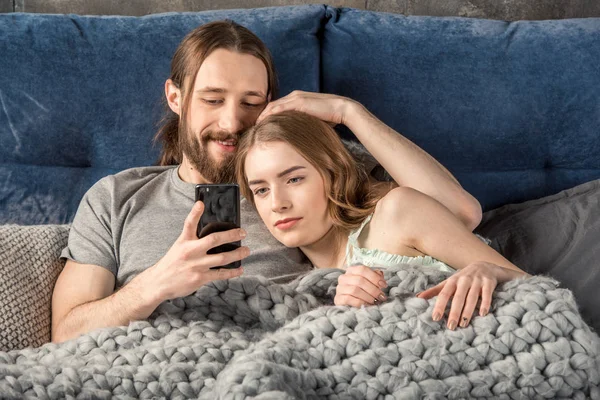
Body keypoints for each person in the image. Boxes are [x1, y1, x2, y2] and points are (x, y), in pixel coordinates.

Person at [51, 20, 482, 343]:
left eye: (250, 103)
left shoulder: (303, 173)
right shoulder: (117, 197)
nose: (231, 122)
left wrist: (349, 112)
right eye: (213, 99)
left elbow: (460, 212)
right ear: (175, 97)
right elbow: (65, 333)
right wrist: (158, 281)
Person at [235, 111, 530, 330]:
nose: (278, 203)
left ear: (333, 173)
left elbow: (533, 287)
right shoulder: (304, 291)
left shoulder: (396, 212)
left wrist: (486, 269)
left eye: (294, 179)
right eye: (261, 189)